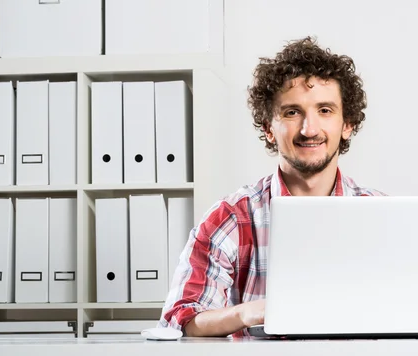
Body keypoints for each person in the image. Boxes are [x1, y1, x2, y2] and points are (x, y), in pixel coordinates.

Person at [157, 36, 387, 338]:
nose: (309, 129)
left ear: (347, 125)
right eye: (292, 112)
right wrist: (251, 311)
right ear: (268, 128)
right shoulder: (230, 217)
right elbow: (181, 320)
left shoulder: (382, 215)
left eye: (325, 110)